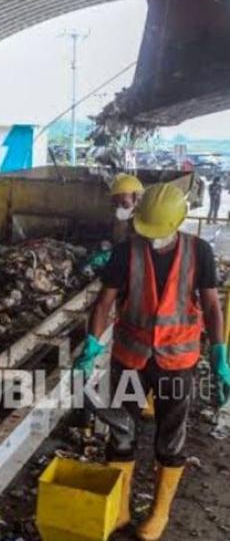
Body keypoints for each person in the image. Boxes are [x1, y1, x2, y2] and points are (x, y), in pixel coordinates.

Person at [73, 184, 229, 541]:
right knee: (122, 431)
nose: (151, 238)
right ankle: (123, 509)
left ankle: (158, 513)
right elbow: (103, 303)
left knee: (170, 439)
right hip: (130, 359)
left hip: (178, 361)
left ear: (177, 222)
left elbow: (211, 306)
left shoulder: (199, 252)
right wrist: (92, 346)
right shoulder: (126, 252)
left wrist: (219, 353)